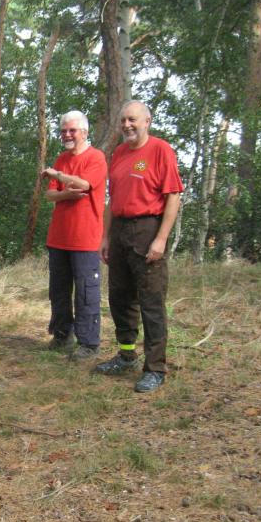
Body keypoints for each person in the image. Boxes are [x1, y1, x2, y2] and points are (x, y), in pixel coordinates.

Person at [95, 100, 183, 393]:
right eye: (123, 120)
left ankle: (155, 368)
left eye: (132, 119)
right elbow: (112, 199)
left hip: (147, 229)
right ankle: (126, 355)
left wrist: (161, 238)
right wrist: (105, 237)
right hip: (119, 230)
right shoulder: (119, 153)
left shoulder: (160, 150)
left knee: (151, 301)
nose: (127, 125)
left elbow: (173, 196)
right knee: (120, 297)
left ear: (147, 121)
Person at [41, 110, 108, 361]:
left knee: (86, 292)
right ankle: (61, 336)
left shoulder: (96, 158)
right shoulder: (61, 158)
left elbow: (85, 185)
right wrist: (66, 193)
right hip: (58, 237)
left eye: (72, 130)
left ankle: (89, 343)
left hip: (86, 239)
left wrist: (58, 176)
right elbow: (49, 195)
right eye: (63, 131)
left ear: (85, 132)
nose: (67, 135)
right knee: (58, 290)